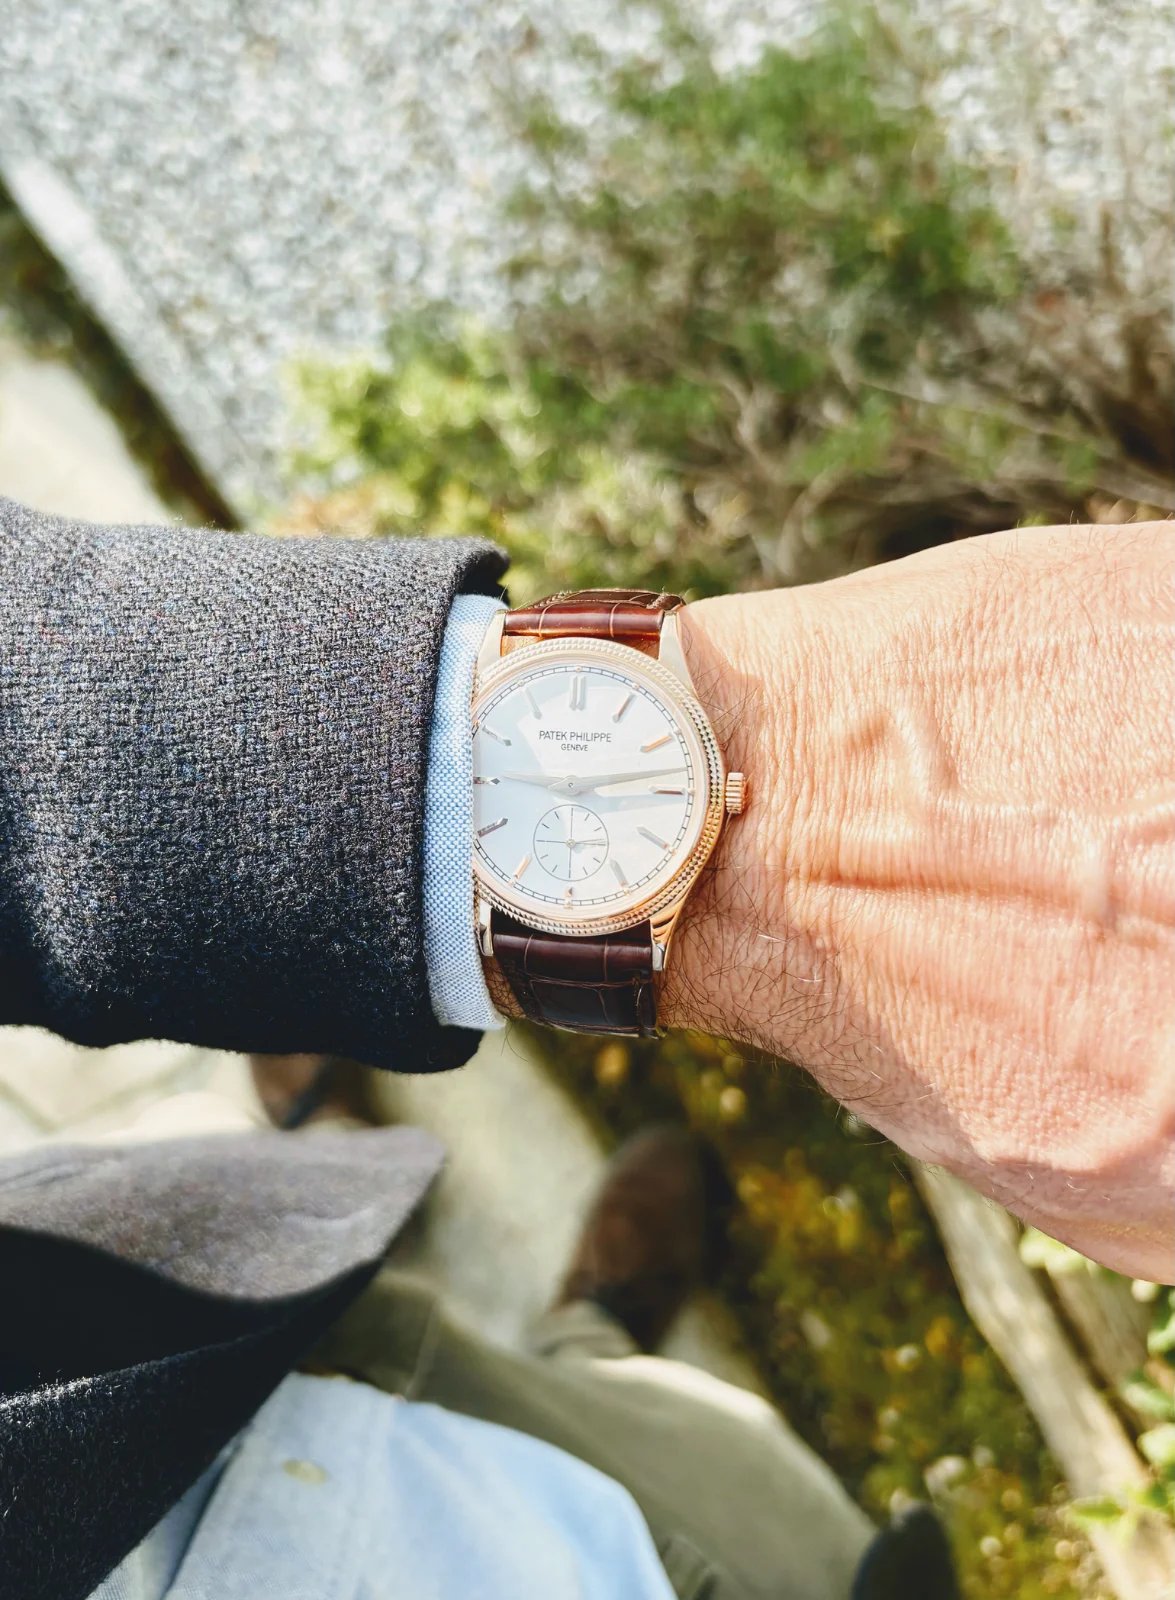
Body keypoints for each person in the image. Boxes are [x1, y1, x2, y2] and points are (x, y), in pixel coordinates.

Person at [0, 497, 1169, 1596]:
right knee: (713, 1484)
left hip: (122, 1319)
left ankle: (348, 1161)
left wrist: (423, 799)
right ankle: (580, 1319)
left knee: (291, 1240)